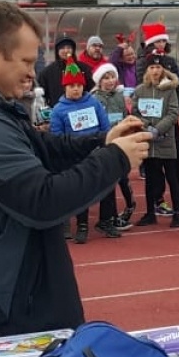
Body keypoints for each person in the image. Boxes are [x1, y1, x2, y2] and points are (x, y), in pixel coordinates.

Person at [0, 1, 151, 357]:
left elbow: (42, 149)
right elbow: (43, 201)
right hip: (5, 323)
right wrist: (115, 159)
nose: (33, 74)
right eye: (24, 62)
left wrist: (104, 141)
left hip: (8, 311)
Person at [51, 63, 112, 244]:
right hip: (73, 156)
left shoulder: (93, 103)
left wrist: (103, 143)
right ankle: (81, 224)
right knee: (79, 190)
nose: (76, 89)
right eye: (71, 86)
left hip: (95, 152)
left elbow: (105, 126)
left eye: (78, 86)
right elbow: (57, 136)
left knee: (106, 186)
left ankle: (107, 220)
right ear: (65, 87)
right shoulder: (59, 110)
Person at [133, 57, 179, 229]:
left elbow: (173, 113)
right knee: (150, 179)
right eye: (152, 67)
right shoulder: (140, 90)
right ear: (147, 70)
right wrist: (147, 127)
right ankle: (149, 213)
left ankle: (177, 212)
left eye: (158, 67)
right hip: (148, 141)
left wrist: (158, 129)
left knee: (172, 177)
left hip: (165, 140)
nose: (155, 71)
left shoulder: (170, 90)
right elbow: (135, 112)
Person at [89, 63, 134, 234]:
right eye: (105, 78)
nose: (110, 81)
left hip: (119, 143)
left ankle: (112, 216)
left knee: (119, 179)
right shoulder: (94, 99)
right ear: (99, 81)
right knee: (107, 182)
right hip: (103, 144)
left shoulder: (119, 96)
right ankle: (105, 219)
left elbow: (123, 116)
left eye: (112, 77)